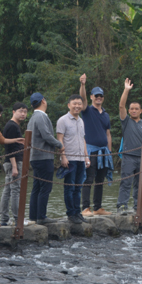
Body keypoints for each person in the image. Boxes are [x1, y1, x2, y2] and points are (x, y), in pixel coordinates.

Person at [117, 79, 142, 215]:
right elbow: (121, 106)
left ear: (140, 111)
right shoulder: (126, 121)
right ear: (129, 111)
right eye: (131, 109)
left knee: (140, 184)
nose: (134, 111)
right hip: (128, 157)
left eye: (136, 109)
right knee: (126, 182)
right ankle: (122, 206)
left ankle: (137, 206)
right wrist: (126, 90)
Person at [79, 74, 113, 217]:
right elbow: (83, 99)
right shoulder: (87, 111)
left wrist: (109, 152)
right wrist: (83, 85)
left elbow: (108, 134)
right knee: (88, 179)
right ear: (92, 97)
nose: (99, 98)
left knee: (100, 180)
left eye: (101, 96)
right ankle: (85, 208)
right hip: (91, 150)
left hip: (103, 152)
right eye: (96, 96)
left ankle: (98, 207)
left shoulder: (105, 114)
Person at [27, 93, 63, 224]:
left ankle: (33, 216)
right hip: (43, 157)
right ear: (43, 101)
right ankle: (41, 216)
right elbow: (46, 135)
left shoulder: (32, 117)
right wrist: (59, 145)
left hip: (34, 157)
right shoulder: (41, 117)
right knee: (45, 188)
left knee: (36, 187)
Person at [56, 95, 91, 224]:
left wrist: (86, 156)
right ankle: (71, 213)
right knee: (69, 187)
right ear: (69, 105)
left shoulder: (81, 121)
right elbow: (60, 139)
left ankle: (77, 212)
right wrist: (63, 156)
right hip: (69, 159)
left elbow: (83, 140)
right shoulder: (62, 120)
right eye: (74, 103)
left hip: (81, 158)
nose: (77, 106)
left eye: (79, 104)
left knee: (78, 187)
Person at [0, 103, 27, 227]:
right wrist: (15, 166)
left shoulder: (14, 126)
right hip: (13, 162)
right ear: (13, 111)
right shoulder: (11, 126)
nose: (23, 114)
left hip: (11, 162)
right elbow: (9, 147)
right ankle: (17, 219)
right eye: (20, 111)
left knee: (8, 190)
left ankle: (5, 219)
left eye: (25, 112)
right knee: (15, 190)